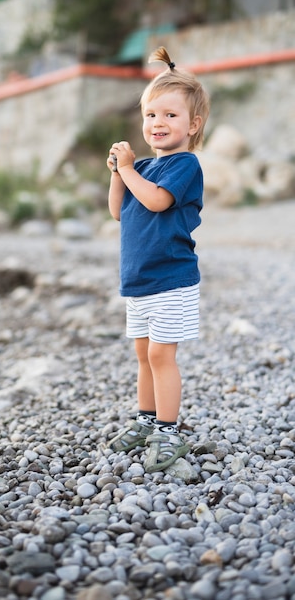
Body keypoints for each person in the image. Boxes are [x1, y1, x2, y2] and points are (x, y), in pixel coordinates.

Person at [107, 46, 210, 472]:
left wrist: (129, 172)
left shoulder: (185, 166)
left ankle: (169, 430)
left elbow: (154, 203)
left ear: (193, 125)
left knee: (161, 357)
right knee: (142, 354)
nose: (158, 123)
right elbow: (118, 210)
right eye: (152, 115)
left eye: (170, 115)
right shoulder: (143, 167)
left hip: (171, 280)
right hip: (140, 281)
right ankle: (145, 419)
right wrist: (118, 172)